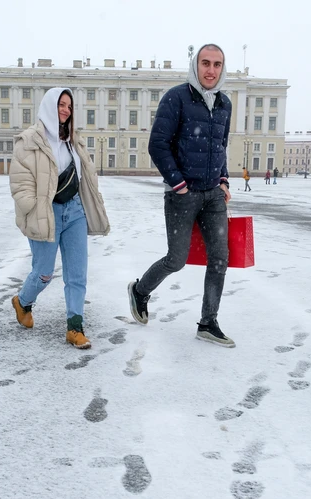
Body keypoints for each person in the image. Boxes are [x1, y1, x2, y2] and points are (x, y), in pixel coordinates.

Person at [127, 43, 234, 347]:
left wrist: (223, 180)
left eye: (216, 64)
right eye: (205, 63)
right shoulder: (176, 98)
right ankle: (139, 291)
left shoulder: (225, 104)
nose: (211, 70)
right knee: (177, 259)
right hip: (182, 195)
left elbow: (220, 147)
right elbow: (157, 145)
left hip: (213, 195)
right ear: (195, 65)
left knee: (219, 259)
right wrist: (178, 184)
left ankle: (208, 322)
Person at [9, 88, 110, 349]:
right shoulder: (30, 140)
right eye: (61, 105)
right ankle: (23, 302)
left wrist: (93, 200)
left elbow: (86, 174)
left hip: (75, 211)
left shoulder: (72, 140)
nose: (65, 110)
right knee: (43, 273)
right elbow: (20, 183)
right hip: (46, 211)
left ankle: (75, 327)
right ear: (49, 106)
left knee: (77, 274)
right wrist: (33, 207)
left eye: (69, 106)